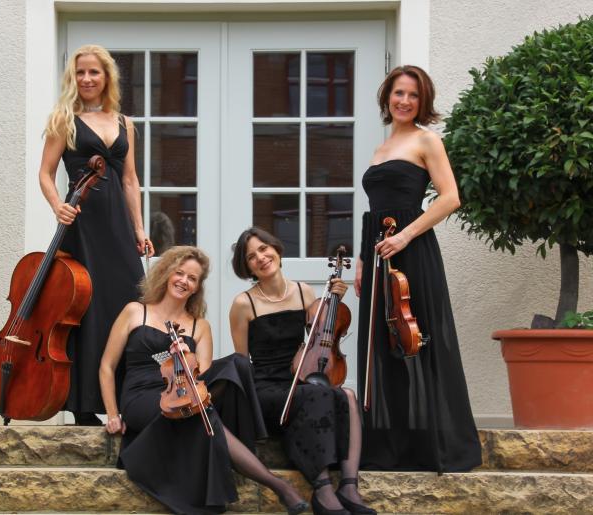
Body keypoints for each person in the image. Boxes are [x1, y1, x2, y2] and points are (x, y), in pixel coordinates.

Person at [100, 246, 308, 515]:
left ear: (197, 287)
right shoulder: (135, 311)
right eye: (180, 273)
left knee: (237, 364)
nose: (184, 281)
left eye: (192, 278)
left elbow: (203, 381)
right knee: (201, 414)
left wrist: (186, 357)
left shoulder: (199, 326)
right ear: (166, 274)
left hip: (183, 393)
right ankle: (277, 485)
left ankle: (266, 466)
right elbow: (107, 367)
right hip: (141, 397)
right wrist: (112, 414)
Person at [354, 65, 481, 472]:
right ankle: (392, 445)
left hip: (412, 251)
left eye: (413, 95)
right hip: (379, 253)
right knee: (383, 343)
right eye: (399, 93)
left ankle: (438, 446)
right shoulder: (383, 146)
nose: (405, 101)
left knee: (420, 339)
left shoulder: (427, 140)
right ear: (387, 96)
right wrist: (362, 259)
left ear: (422, 101)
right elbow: (374, 213)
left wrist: (405, 237)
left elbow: (450, 198)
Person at [38, 44, 153, 425]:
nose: (87, 79)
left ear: (106, 77)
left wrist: (139, 228)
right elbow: (45, 173)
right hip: (82, 224)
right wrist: (57, 205)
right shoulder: (64, 120)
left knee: (129, 302)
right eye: (81, 72)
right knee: (84, 308)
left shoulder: (125, 123)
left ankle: (131, 397)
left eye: (94, 72)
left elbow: (130, 179)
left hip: (118, 226)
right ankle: (83, 407)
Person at [230, 227, 375, 515]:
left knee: (346, 395)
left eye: (263, 249)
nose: (261, 258)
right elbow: (241, 362)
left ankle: (349, 485)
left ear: (276, 249)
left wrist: (333, 301)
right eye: (251, 257)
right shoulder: (243, 304)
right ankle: (322, 490)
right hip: (266, 387)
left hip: (299, 376)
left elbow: (321, 336)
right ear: (247, 268)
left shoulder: (304, 291)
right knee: (314, 396)